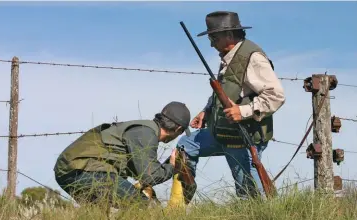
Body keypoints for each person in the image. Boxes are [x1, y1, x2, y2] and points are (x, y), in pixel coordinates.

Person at [175, 11, 286, 203]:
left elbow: (276, 95)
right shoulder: (229, 56)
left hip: (245, 135)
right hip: (224, 131)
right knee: (185, 146)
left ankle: (268, 213)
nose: (211, 43)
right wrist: (206, 111)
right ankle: (180, 203)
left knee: (247, 193)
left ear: (229, 35)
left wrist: (243, 111)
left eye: (213, 37)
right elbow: (225, 91)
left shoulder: (252, 58)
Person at [53, 101, 191, 208]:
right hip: (81, 169)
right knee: (143, 206)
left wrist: (167, 165)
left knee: (100, 212)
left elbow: (142, 173)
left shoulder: (144, 131)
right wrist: (173, 166)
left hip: (74, 169)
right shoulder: (146, 133)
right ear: (178, 128)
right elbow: (151, 176)